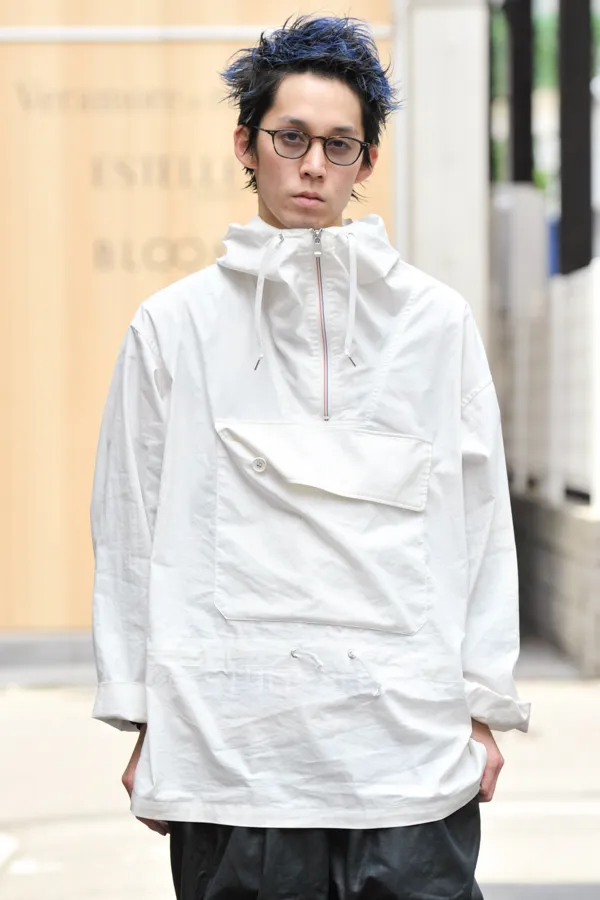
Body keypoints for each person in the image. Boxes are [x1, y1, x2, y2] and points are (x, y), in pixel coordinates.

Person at [90, 14, 530, 900]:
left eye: (339, 144)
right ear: (246, 144)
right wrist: (141, 716)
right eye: (290, 137)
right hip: (232, 746)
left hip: (407, 751)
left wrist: (484, 705)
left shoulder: (434, 324)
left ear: (368, 161)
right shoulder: (174, 326)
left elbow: (481, 518)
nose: (313, 165)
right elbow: (129, 523)